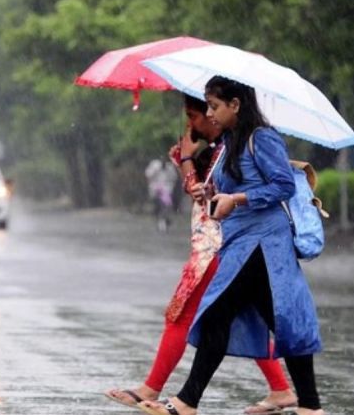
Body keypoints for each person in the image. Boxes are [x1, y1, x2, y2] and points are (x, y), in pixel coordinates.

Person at [139, 78, 325, 415]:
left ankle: (185, 402)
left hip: (262, 247)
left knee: (217, 316)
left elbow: (282, 185)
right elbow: (230, 187)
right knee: (280, 322)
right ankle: (309, 406)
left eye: (214, 106)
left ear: (236, 105)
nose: (209, 113)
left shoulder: (261, 138)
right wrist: (209, 195)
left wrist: (237, 199)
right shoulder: (228, 143)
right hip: (240, 244)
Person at [106, 94, 298, 414]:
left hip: (217, 248)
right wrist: (185, 161)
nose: (193, 123)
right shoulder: (221, 148)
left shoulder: (235, 147)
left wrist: (186, 162)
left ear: (222, 111)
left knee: (185, 315)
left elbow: (213, 200)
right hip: (223, 246)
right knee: (241, 318)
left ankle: (161, 392)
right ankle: (282, 390)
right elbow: (202, 193)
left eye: (199, 113)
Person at [145, 156, 178, 231]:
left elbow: (174, 178)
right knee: (157, 205)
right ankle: (159, 218)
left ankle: (164, 219)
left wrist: (170, 187)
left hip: (166, 189)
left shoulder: (170, 167)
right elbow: (148, 175)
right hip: (155, 188)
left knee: (166, 205)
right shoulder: (154, 165)